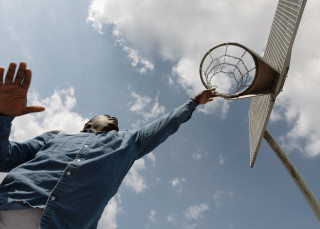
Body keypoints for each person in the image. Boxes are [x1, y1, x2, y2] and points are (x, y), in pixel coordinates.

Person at [0, 62, 216, 229]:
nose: (114, 118)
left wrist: (193, 103)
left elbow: (162, 127)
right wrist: (3, 116)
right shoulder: (54, 136)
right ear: (88, 123)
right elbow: (5, 157)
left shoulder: (128, 142)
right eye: (107, 115)